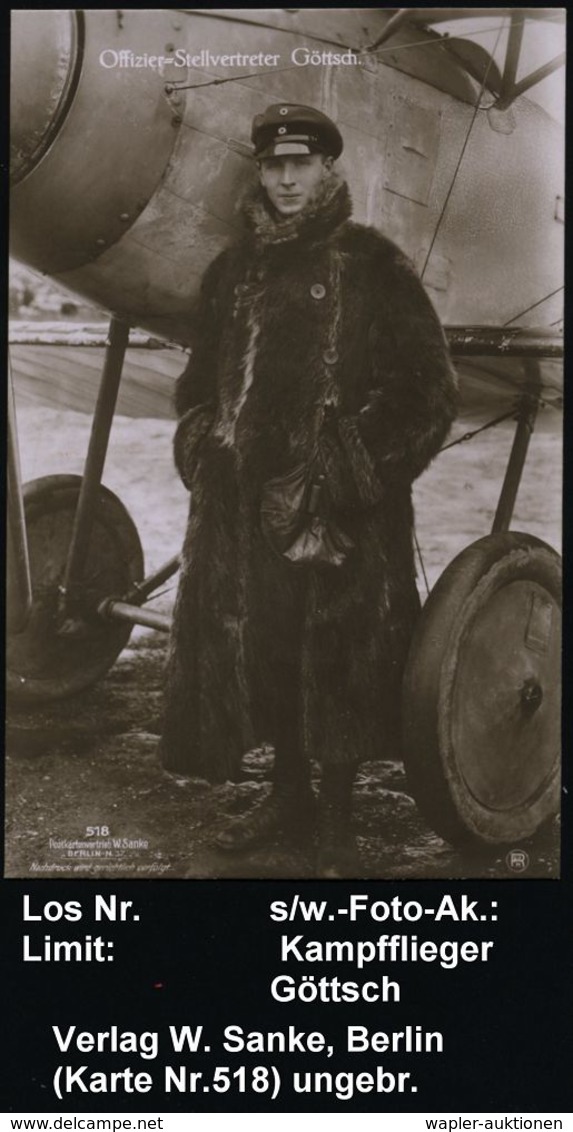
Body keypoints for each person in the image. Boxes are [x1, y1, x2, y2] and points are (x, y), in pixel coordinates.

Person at [159, 103, 457, 877]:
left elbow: (426, 389)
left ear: (327, 169)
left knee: (334, 657)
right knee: (262, 651)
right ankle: (285, 797)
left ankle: (336, 818)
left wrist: (345, 469)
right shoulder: (233, 273)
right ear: (260, 172)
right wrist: (202, 446)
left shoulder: (371, 265)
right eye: (272, 165)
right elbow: (194, 388)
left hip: (336, 514)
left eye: (301, 163)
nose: (286, 179)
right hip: (241, 515)